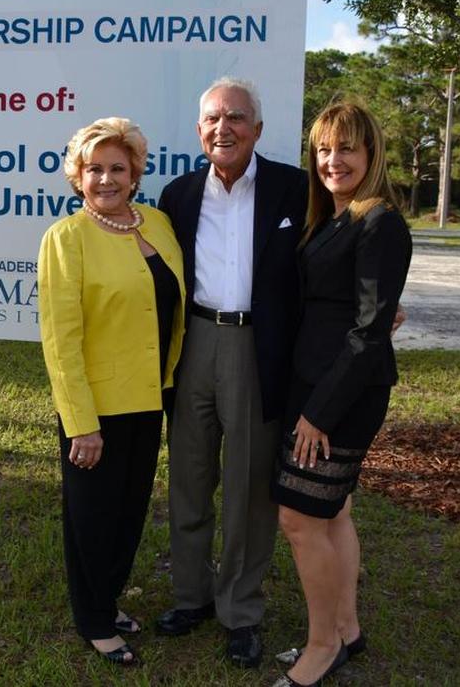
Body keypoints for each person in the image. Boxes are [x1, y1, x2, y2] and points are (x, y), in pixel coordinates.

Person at [155, 77, 308, 667]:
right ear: (199, 131)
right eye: (214, 119)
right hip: (191, 342)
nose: (225, 128)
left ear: (258, 130)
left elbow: (322, 258)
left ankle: (240, 610)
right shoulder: (178, 194)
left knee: (247, 485)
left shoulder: (294, 190)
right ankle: (191, 596)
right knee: (189, 478)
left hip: (255, 347)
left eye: (237, 118)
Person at [270, 102, 412, 687]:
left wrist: (318, 414)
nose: (334, 160)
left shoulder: (380, 221)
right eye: (325, 149)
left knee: (299, 519)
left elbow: (368, 330)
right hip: (314, 382)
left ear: (371, 153)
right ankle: (348, 629)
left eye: (347, 148)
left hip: (342, 395)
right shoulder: (332, 217)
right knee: (335, 513)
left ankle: (322, 644)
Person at [37, 117, 186, 666]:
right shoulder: (66, 238)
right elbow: (60, 337)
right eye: (94, 168)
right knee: (91, 518)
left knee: (128, 512)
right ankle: (94, 619)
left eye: (117, 168)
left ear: (135, 173)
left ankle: (108, 598)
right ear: (77, 176)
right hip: (96, 406)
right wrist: (80, 421)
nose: (106, 178)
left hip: (151, 396)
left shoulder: (160, 225)